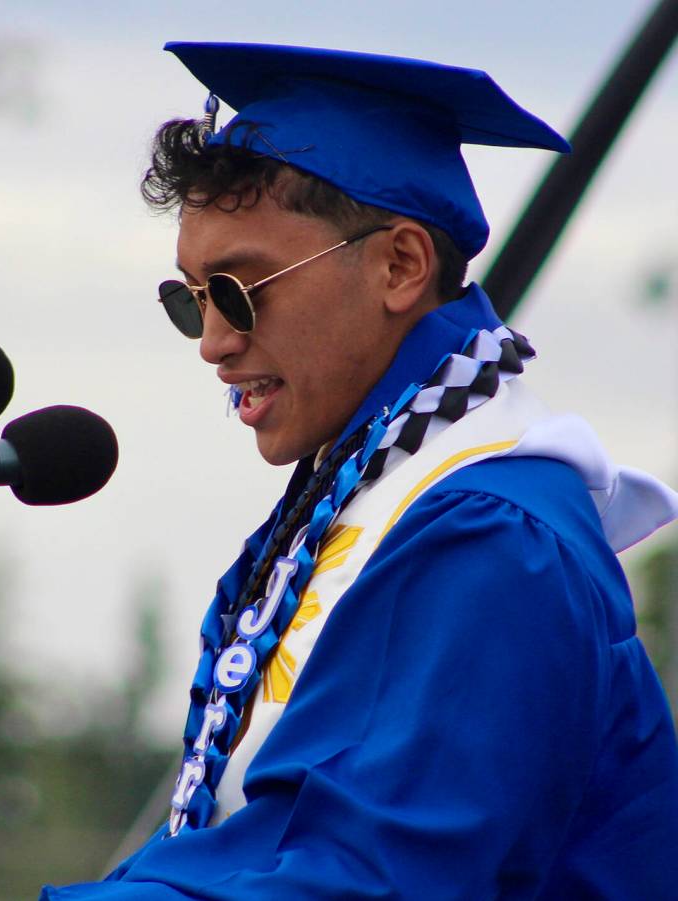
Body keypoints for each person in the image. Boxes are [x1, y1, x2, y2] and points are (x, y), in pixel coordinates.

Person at [41, 42, 678, 899]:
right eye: (189, 297)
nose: (214, 342)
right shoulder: (362, 495)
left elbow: (362, 876)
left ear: (401, 265)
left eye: (238, 290)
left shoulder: (493, 536)